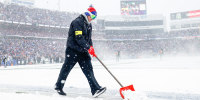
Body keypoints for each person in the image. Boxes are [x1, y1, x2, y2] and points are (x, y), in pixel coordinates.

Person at [54, 5, 106, 98]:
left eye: (95, 17)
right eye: (93, 16)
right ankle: (58, 86)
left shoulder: (88, 24)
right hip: (73, 50)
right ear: (88, 14)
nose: (93, 19)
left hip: (83, 51)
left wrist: (91, 48)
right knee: (66, 69)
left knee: (89, 70)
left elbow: (89, 39)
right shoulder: (77, 22)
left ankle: (95, 89)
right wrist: (87, 47)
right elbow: (79, 38)